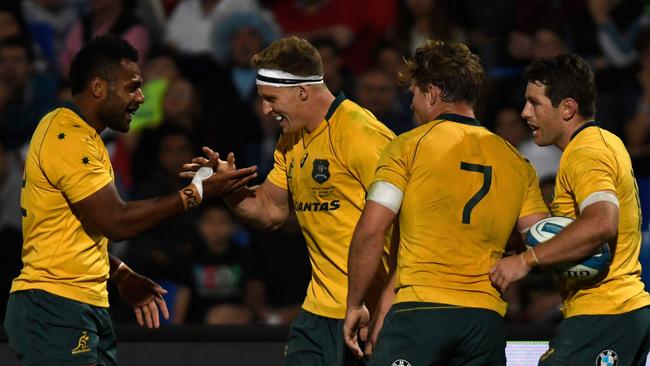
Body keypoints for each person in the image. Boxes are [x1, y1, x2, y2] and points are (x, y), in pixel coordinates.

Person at [4, 34, 257, 366]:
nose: (140, 97)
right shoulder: (68, 136)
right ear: (98, 87)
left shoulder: (80, 136)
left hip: (78, 304)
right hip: (56, 307)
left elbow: (69, 230)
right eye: (132, 87)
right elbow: (115, 221)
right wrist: (198, 193)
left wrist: (120, 272)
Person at [186, 35, 396, 365]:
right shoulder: (291, 139)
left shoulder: (361, 134)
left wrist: (387, 304)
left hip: (369, 311)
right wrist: (227, 188)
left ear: (302, 91)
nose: (265, 109)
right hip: (317, 311)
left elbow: (415, 224)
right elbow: (269, 211)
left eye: (271, 98)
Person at [343, 40, 549, 366]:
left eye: (414, 92)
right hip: (485, 320)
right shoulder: (516, 161)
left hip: (421, 313)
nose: (411, 104)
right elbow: (540, 238)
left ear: (433, 93)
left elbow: (371, 232)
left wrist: (356, 304)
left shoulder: (407, 147)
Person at [489, 53, 650, 365]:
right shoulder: (602, 142)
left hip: (604, 315)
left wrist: (527, 260)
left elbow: (602, 223)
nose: (524, 112)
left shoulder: (586, 152)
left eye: (534, 103)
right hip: (616, 313)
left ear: (567, 108)